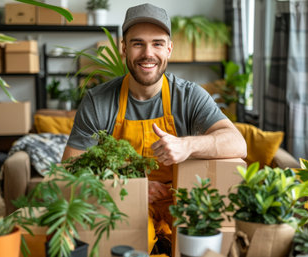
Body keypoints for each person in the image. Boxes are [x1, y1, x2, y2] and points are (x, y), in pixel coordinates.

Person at [62, 3, 247, 255]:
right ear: (124, 49)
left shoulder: (190, 96)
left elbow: (237, 143)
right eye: (137, 43)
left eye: (157, 43)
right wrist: (129, 185)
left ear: (169, 49)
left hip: (180, 203)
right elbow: (71, 168)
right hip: (125, 204)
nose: (148, 53)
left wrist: (186, 145)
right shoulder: (99, 101)